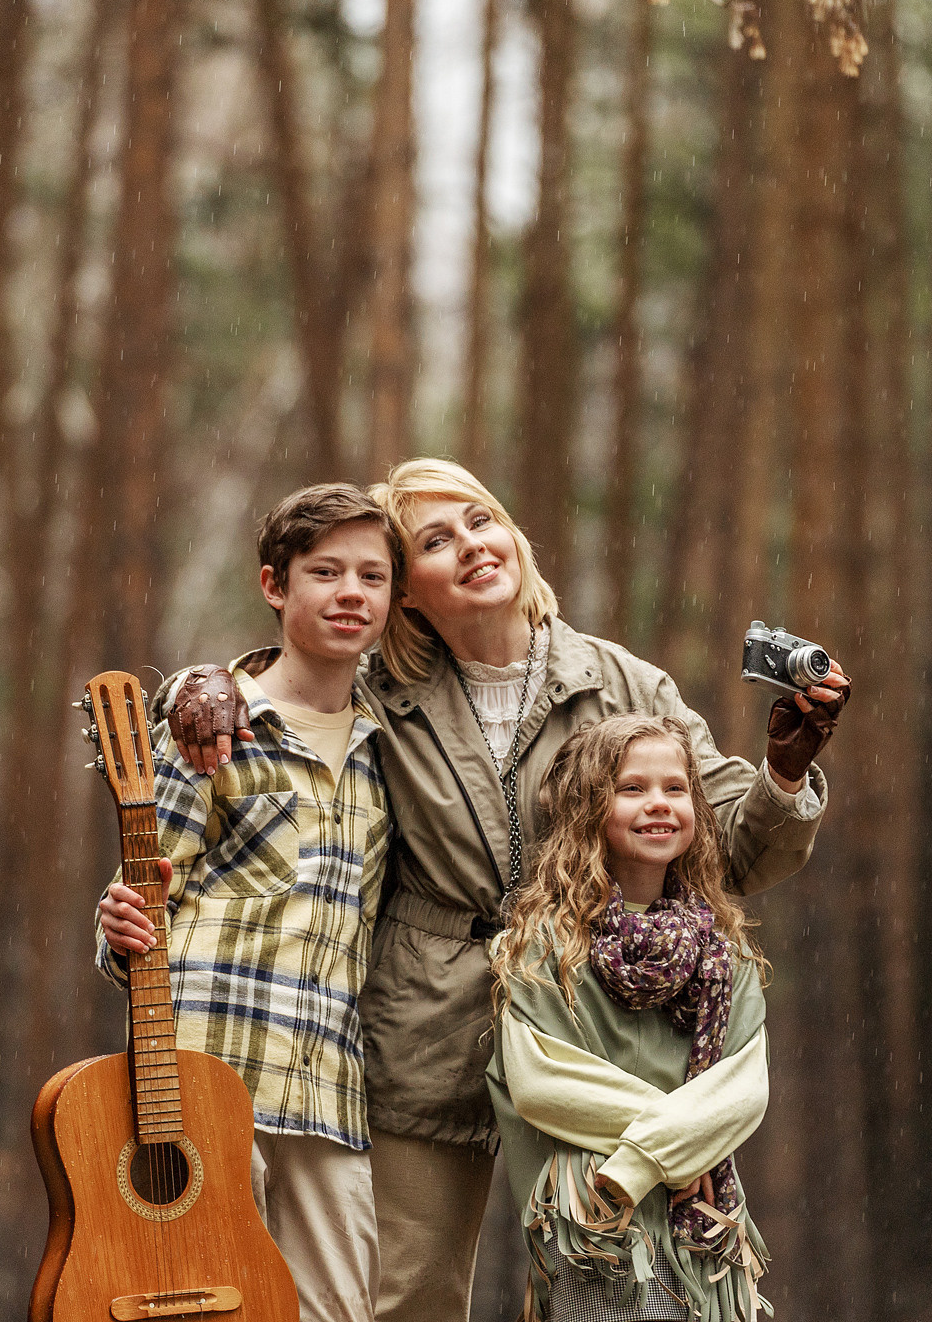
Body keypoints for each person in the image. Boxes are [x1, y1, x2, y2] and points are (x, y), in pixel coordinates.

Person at [163, 458, 849, 1321]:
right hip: (422, 1025)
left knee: (610, 1285)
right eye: (437, 541)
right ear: (408, 594)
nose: (473, 546)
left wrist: (784, 772)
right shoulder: (380, 691)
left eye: (481, 521)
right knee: (408, 1296)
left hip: (593, 1029)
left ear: (515, 536)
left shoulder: (624, 685)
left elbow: (729, 855)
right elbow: (293, 684)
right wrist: (207, 684)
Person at [95, 482, 400, 1322]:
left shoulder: (392, 747)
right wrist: (116, 926)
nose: (350, 594)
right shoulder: (215, 729)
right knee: (203, 1307)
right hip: (208, 1069)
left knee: (340, 1310)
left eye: (371, 578)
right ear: (275, 586)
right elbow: (146, 881)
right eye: (326, 572)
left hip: (329, 1091)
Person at [488, 714, 772, 1322]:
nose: (659, 805)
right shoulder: (544, 947)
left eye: (676, 788)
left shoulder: (724, 951)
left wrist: (652, 1159)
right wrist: (681, 1147)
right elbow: (543, 1083)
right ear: (591, 807)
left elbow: (744, 1088)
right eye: (632, 788)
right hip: (596, 1221)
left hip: (702, 1231)